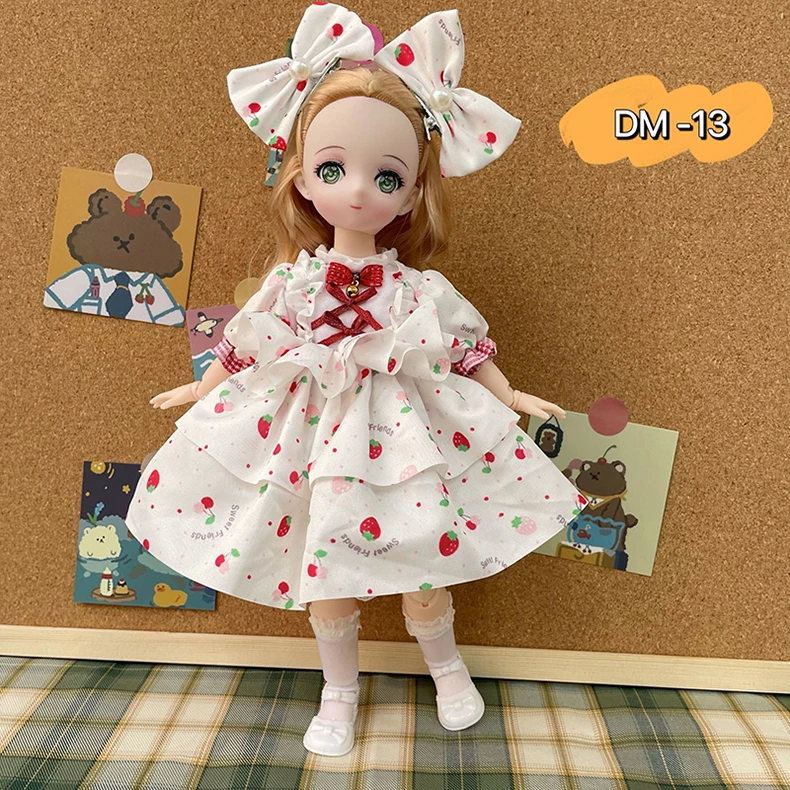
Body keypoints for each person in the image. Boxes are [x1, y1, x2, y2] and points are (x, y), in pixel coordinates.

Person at [125, 3, 586, 758]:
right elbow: (250, 340)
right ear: (303, 178)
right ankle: (338, 689)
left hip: (401, 431)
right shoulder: (294, 281)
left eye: (387, 176)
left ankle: (447, 668)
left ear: (412, 193)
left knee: (424, 555)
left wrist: (507, 396)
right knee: (326, 568)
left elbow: (461, 347)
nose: (360, 191)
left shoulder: (416, 288)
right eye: (334, 169)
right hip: (309, 434)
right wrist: (200, 391)